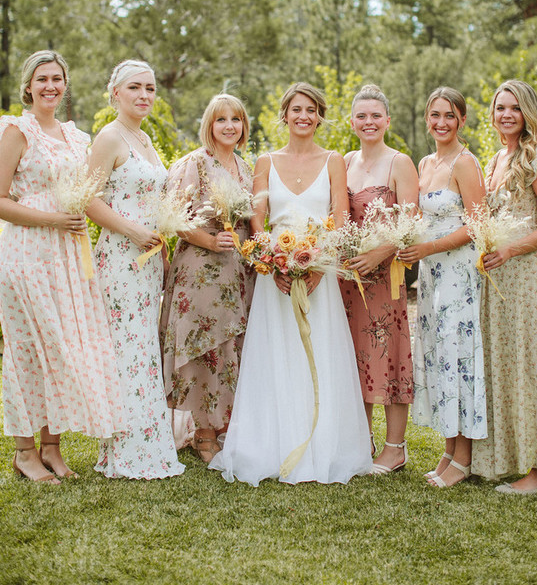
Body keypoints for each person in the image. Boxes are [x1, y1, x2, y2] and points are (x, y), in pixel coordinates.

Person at [210, 82, 372, 485]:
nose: (303, 116)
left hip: (322, 276)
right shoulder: (265, 160)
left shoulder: (335, 160)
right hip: (275, 278)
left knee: (320, 353)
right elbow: (258, 220)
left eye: (311, 110)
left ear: (320, 117)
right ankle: (271, 443)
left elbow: (340, 218)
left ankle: (325, 445)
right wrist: (275, 261)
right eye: (296, 109)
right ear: (284, 115)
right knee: (276, 355)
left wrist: (318, 265)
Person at [0, 50, 125, 483]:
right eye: (42, 79)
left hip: (69, 255)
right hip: (26, 252)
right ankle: (24, 451)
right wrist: (54, 219)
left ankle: (52, 448)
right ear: (29, 86)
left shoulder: (76, 138)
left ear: (65, 84)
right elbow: (0, 201)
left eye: (57, 79)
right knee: (27, 348)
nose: (50, 86)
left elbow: (90, 193)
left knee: (61, 347)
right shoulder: (18, 131)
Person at [87, 60, 184, 480]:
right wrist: (133, 232)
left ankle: (147, 444)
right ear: (115, 93)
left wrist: (160, 245)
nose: (144, 95)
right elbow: (87, 201)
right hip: (120, 258)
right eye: (135, 88)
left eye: (150, 88)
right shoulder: (108, 138)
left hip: (148, 262)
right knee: (127, 348)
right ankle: (126, 450)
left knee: (143, 345)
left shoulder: (144, 138)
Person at [471, 80, 537, 494]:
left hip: (528, 277)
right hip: (497, 280)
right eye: (500, 108)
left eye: (514, 107)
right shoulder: (494, 159)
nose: (506, 114)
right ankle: (508, 458)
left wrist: (510, 251)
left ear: (527, 113)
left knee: (532, 368)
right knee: (504, 367)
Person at [399, 87, 487, 487]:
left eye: (449, 115)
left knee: (458, 359)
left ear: (462, 120)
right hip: (432, 276)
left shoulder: (465, 163)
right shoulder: (427, 161)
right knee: (438, 358)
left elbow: (478, 226)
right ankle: (448, 450)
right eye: (434, 115)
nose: (441, 122)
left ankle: (464, 459)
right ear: (426, 118)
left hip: (459, 276)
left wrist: (429, 246)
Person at [159, 94, 255, 460]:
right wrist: (212, 241)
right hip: (201, 271)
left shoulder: (246, 169)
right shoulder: (195, 164)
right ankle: (203, 433)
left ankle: (226, 425)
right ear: (209, 125)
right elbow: (176, 220)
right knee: (206, 346)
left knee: (231, 347)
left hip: (239, 271)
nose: (230, 126)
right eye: (221, 120)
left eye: (236, 119)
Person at [340, 85, 418, 475]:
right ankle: (362, 439)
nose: (368, 122)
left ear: (387, 121)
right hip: (349, 280)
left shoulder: (399, 162)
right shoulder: (345, 161)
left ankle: (395, 447)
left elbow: (411, 220)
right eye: (361, 116)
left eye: (375, 116)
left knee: (388, 356)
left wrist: (378, 254)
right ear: (351, 121)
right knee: (355, 357)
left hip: (385, 276)